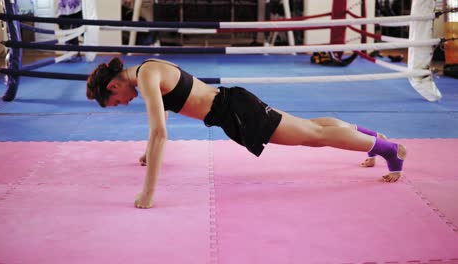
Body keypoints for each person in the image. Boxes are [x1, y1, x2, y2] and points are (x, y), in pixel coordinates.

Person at [86, 57, 406, 209]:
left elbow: (160, 133)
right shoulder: (148, 69)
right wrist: (146, 152)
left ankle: (388, 149)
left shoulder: (145, 76)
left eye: (115, 102)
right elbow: (164, 115)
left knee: (313, 135)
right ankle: (374, 139)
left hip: (238, 112)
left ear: (113, 85)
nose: (122, 104)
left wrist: (148, 194)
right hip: (235, 107)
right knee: (314, 127)